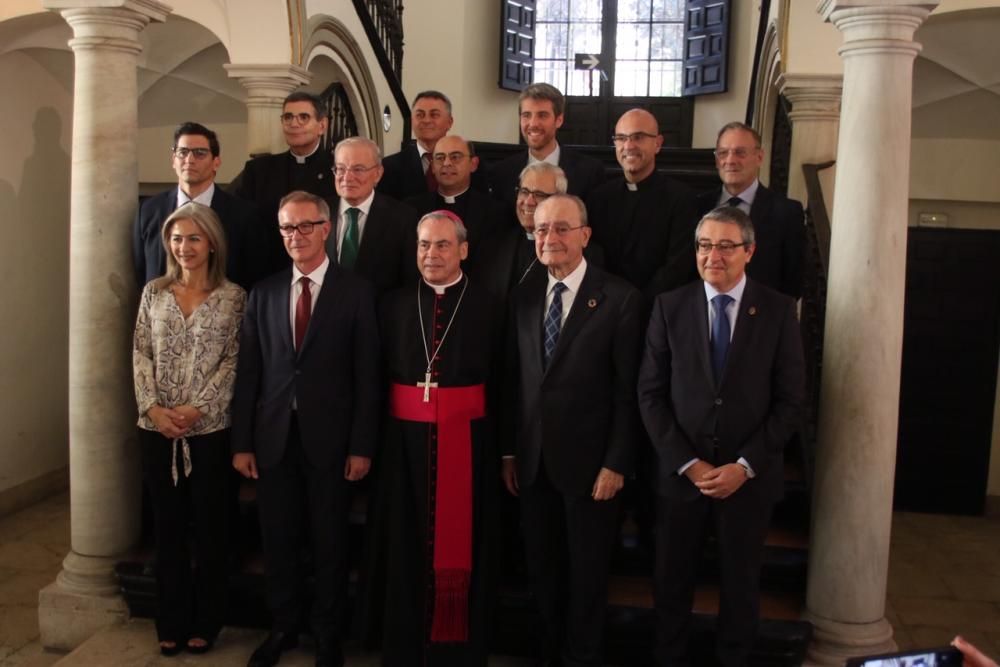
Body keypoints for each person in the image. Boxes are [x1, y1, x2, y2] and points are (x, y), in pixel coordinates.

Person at [637, 206, 805, 667]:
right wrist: (689, 464)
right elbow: (650, 395)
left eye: (726, 245)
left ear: (749, 251)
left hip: (747, 480)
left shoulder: (776, 311)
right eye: (704, 245)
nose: (713, 255)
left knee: (740, 586)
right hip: (681, 479)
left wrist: (744, 466)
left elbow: (790, 402)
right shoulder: (669, 307)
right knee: (671, 585)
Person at [230, 190, 380, 667]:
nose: (296, 236)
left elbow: (367, 376)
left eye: (305, 226)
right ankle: (284, 627)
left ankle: (327, 635)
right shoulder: (264, 291)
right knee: (278, 541)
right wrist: (242, 442)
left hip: (332, 444)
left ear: (326, 228)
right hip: (274, 441)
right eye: (287, 228)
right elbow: (250, 372)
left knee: (330, 543)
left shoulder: (356, 291)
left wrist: (361, 445)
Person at [503, 194, 641, 666]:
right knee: (542, 572)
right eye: (541, 230)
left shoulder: (620, 298)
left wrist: (616, 462)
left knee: (587, 576)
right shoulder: (522, 297)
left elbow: (628, 393)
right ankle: (547, 655)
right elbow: (514, 381)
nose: (550, 238)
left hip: (592, 468)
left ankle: (583, 658)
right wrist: (509, 454)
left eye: (562, 228)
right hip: (534, 463)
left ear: (585, 234)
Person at [374, 210, 502, 667]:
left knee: (466, 546)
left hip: (470, 448)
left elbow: (503, 383)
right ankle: (405, 650)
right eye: (424, 245)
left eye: (442, 245)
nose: (431, 254)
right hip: (401, 451)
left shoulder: (490, 305)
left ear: (464, 249)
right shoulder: (392, 305)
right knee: (404, 545)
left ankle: (457, 652)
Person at [132, 202, 246, 656]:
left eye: (194, 238)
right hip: (157, 429)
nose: (184, 247)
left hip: (210, 431)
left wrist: (197, 409)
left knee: (211, 529)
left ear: (212, 242)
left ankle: (207, 619)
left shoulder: (234, 297)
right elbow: (140, 352)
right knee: (168, 529)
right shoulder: (153, 293)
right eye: (177, 239)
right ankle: (171, 619)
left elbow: (235, 360)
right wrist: (154, 408)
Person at [132, 122, 267, 290]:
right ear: (173, 160)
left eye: (200, 153)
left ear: (216, 162)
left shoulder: (244, 215)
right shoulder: (148, 211)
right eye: (183, 152)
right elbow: (140, 272)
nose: (189, 160)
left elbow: (254, 278)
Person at [587, 108, 699, 306]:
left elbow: (677, 267)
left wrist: (635, 303)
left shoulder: (681, 199)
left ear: (657, 143)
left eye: (638, 137)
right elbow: (592, 259)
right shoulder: (599, 198)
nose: (628, 145)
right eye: (621, 138)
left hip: (656, 308)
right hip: (603, 307)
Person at [696, 122, 805, 298]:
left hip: (763, 317)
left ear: (759, 157)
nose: (730, 160)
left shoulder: (787, 212)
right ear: (717, 160)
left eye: (740, 152)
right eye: (723, 153)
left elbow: (793, 281)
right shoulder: (697, 206)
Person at [233, 91, 336, 273]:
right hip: (268, 271)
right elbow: (243, 222)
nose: (294, 124)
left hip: (324, 270)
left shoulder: (338, 170)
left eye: (303, 117)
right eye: (288, 117)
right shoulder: (258, 170)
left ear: (322, 125)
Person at [489, 83, 606, 209]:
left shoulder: (589, 172)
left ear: (559, 120)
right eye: (526, 115)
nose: (533, 124)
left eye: (542, 115)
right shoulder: (501, 173)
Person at [327, 136, 419, 295]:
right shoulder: (318, 211)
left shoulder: (402, 218)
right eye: (340, 169)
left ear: (378, 173)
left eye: (358, 169)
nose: (347, 177)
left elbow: (409, 282)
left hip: (379, 315)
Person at [404, 135, 505, 273]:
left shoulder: (496, 213)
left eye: (455, 157)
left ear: (473, 164)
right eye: (440, 158)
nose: (446, 163)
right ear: (433, 166)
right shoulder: (411, 209)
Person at [378, 90, 453, 200]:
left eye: (434, 115)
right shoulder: (390, 166)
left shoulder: (466, 165)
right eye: (420, 115)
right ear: (412, 121)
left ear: (449, 122)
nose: (426, 120)